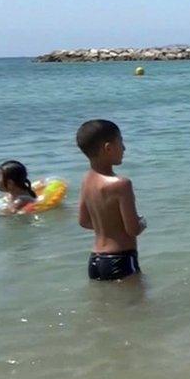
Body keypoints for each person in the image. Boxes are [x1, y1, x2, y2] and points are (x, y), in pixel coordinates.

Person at [76, 120, 146, 281]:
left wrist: (108, 226)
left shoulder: (86, 180)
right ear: (108, 148)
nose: (124, 148)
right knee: (135, 304)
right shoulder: (121, 184)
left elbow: (83, 221)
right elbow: (133, 229)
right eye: (121, 142)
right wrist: (143, 222)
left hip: (95, 261)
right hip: (121, 259)